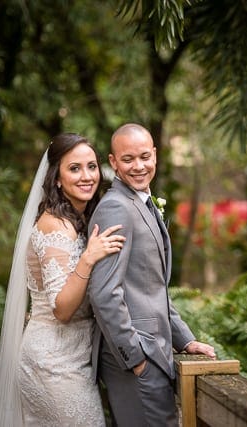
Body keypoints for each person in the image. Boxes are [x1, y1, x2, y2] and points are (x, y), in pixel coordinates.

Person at [0, 133, 126, 426]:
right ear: (57, 179)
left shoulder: (79, 220)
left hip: (71, 360)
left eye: (91, 166)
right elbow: (62, 309)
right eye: (74, 168)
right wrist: (88, 258)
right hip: (53, 363)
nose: (87, 176)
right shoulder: (56, 227)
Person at [88, 123, 216, 427]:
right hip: (136, 359)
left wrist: (184, 340)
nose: (138, 166)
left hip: (157, 353)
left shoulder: (141, 203)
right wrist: (135, 359)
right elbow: (104, 293)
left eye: (144, 157)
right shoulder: (116, 208)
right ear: (113, 162)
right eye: (128, 159)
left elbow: (151, 287)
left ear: (155, 155)